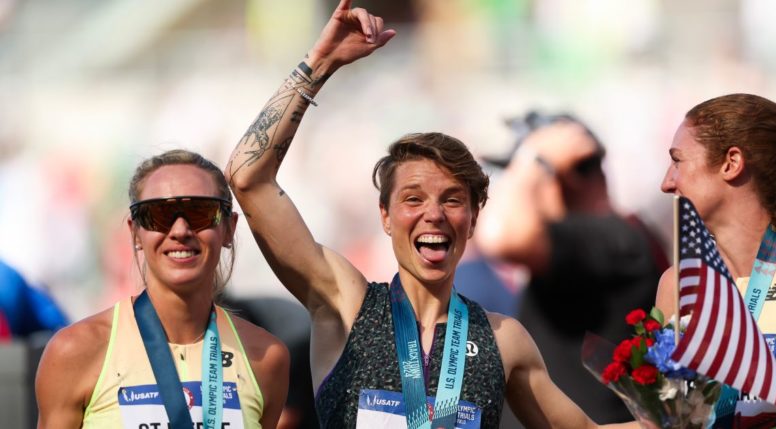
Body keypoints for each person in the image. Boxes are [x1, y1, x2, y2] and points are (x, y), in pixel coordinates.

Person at [225, 1, 638, 427]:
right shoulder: (344, 304)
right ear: (385, 216)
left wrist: (686, 414)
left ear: (473, 219)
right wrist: (320, 64)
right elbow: (247, 178)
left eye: (453, 200)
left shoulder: (503, 340)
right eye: (413, 199)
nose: (434, 214)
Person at [34, 150, 289, 428]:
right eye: (159, 214)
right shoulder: (75, 351)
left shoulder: (266, 357)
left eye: (200, 212)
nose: (180, 230)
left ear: (228, 228)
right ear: (135, 232)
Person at [474, 112, 668, 424]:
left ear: (566, 179)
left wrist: (534, 158)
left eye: (525, 180)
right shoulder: (615, 238)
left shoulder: (613, 239)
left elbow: (501, 236)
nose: (516, 192)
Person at [655, 93, 776, 427]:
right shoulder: (678, 284)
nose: (667, 183)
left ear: (731, 162)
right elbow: (662, 422)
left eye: (677, 161)